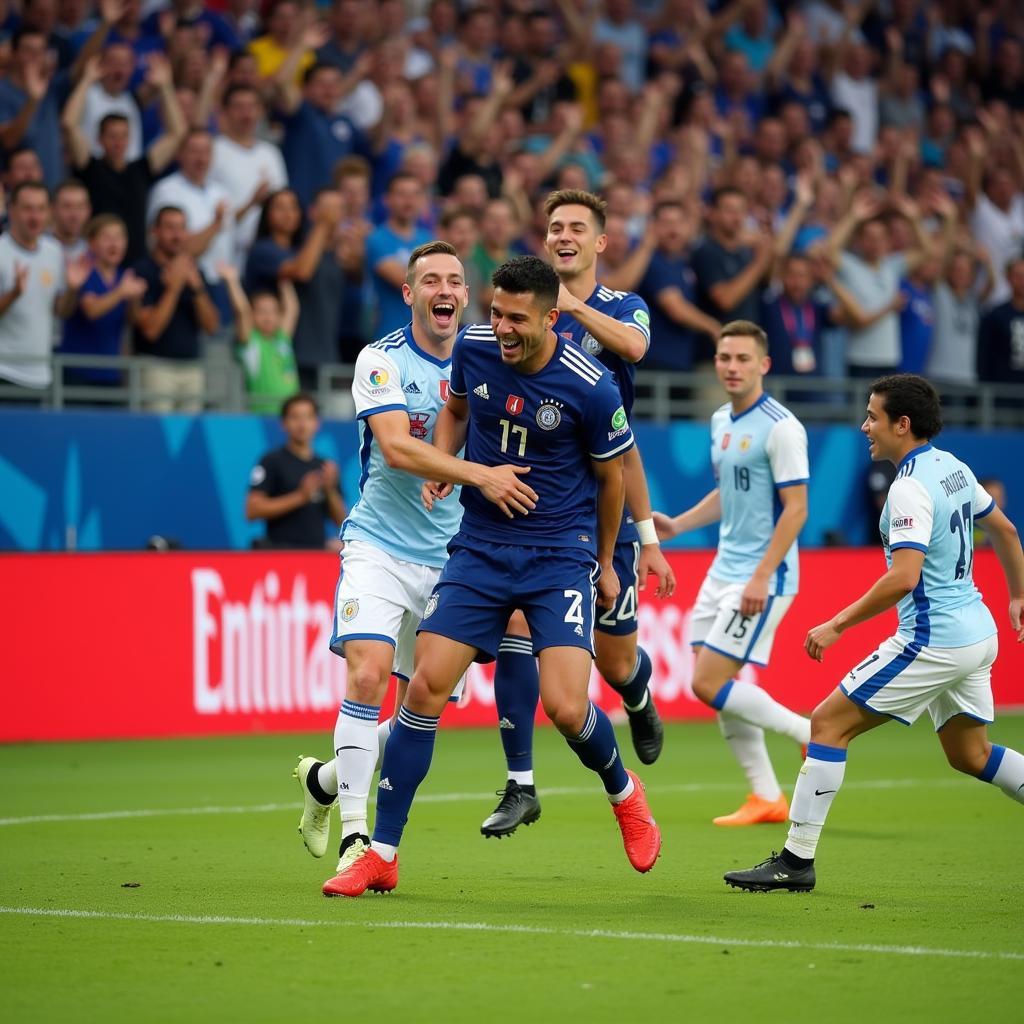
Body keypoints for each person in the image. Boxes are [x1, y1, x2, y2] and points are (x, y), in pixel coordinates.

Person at [321, 255, 661, 898]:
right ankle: (380, 855)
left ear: (552, 319)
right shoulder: (474, 352)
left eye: (517, 319)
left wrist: (610, 564)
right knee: (421, 690)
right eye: (496, 314)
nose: (501, 328)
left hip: (559, 556)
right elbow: (453, 408)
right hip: (477, 549)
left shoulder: (590, 386)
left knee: (565, 707)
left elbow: (614, 477)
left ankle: (624, 792)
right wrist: (445, 463)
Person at [724, 374, 1024, 893]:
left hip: (936, 639)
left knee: (826, 724)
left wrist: (838, 622)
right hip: (979, 633)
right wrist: (1018, 595)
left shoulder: (908, 486)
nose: (865, 426)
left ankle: (796, 862)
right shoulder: (953, 467)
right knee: (970, 755)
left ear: (901, 425)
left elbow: (904, 576)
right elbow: (1006, 530)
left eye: (873, 416)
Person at [291, 241, 537, 872]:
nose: (444, 289)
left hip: (455, 559)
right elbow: (398, 449)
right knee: (368, 676)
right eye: (430, 280)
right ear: (410, 294)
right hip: (378, 544)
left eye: (455, 279)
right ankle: (355, 837)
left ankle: (325, 783)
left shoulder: (490, 351)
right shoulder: (382, 359)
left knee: (419, 707)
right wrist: (475, 474)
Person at [481, 189, 675, 840]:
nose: (562, 235)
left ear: (599, 243)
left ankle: (639, 696)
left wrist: (646, 539)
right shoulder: (525, 316)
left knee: (615, 664)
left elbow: (636, 357)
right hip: (533, 507)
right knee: (514, 619)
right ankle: (520, 782)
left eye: (576, 228)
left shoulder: (621, 308)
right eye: (553, 226)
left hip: (603, 508)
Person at [654, 320, 812, 825]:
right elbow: (730, 493)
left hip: (765, 575)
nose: (732, 367)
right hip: (724, 568)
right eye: (725, 358)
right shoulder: (721, 420)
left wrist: (762, 576)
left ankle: (807, 732)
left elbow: (796, 509)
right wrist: (678, 524)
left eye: (743, 359)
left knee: (707, 682)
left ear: (764, 365)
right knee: (716, 681)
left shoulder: (782, 427)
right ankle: (766, 796)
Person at [0, 182, 88, 393]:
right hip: (4, 371)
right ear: (12, 210)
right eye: (28, 208)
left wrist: (73, 290)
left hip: (40, 375)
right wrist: (13, 295)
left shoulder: (54, 251)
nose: (35, 217)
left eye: (41, 209)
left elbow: (60, 311)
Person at [132, 205, 220, 411]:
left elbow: (212, 327)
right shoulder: (142, 271)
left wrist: (196, 288)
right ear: (155, 231)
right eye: (170, 228)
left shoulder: (196, 273)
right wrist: (173, 289)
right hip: (155, 366)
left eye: (181, 228)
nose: (177, 235)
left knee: (188, 438)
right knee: (156, 436)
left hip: (192, 367)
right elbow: (151, 330)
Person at [246, 392, 345, 548]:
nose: (302, 424)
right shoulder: (271, 461)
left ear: (317, 423)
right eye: (295, 417)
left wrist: (330, 490)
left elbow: (341, 521)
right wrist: (300, 496)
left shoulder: (325, 467)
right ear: (283, 423)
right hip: (280, 554)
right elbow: (252, 510)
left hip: (316, 556)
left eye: (308, 417)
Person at [59, 213, 147, 387]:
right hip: (78, 372)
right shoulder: (84, 272)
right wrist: (121, 292)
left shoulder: (124, 276)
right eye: (107, 238)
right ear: (92, 242)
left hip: (111, 373)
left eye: (119, 237)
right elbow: (92, 310)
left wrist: (135, 299)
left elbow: (132, 320)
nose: (114, 244)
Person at [217, 261, 299, 414]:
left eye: (273, 311)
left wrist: (284, 280)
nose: (268, 317)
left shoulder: (282, 339)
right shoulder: (251, 344)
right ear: (252, 316)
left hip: (290, 414)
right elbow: (242, 311)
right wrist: (232, 281)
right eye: (261, 312)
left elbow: (292, 309)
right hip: (264, 415)